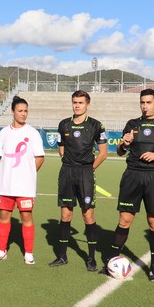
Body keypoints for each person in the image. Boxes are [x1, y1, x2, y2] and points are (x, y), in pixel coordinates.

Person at [102, 89, 154, 282]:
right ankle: (110, 262)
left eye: (149, 102)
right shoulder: (132, 124)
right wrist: (125, 144)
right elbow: (119, 151)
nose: (145, 106)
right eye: (142, 103)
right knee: (124, 221)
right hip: (132, 176)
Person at [49, 90, 108, 271]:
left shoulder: (97, 125)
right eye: (75, 102)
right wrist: (69, 163)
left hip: (85, 174)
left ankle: (91, 258)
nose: (77, 105)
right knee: (65, 214)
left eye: (81, 102)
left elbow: (103, 153)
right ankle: (62, 256)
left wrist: (88, 169)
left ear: (87, 105)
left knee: (87, 215)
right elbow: (61, 149)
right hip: (67, 173)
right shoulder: (64, 124)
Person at [0, 96, 45, 264]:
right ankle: (1, 250)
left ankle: (28, 253)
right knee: (4, 216)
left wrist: (28, 173)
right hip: (5, 185)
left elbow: (40, 158)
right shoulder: (4, 133)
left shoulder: (33, 133)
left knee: (26, 216)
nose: (23, 114)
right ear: (13, 112)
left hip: (25, 187)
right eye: (20, 111)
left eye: (26, 111)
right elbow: (1, 158)